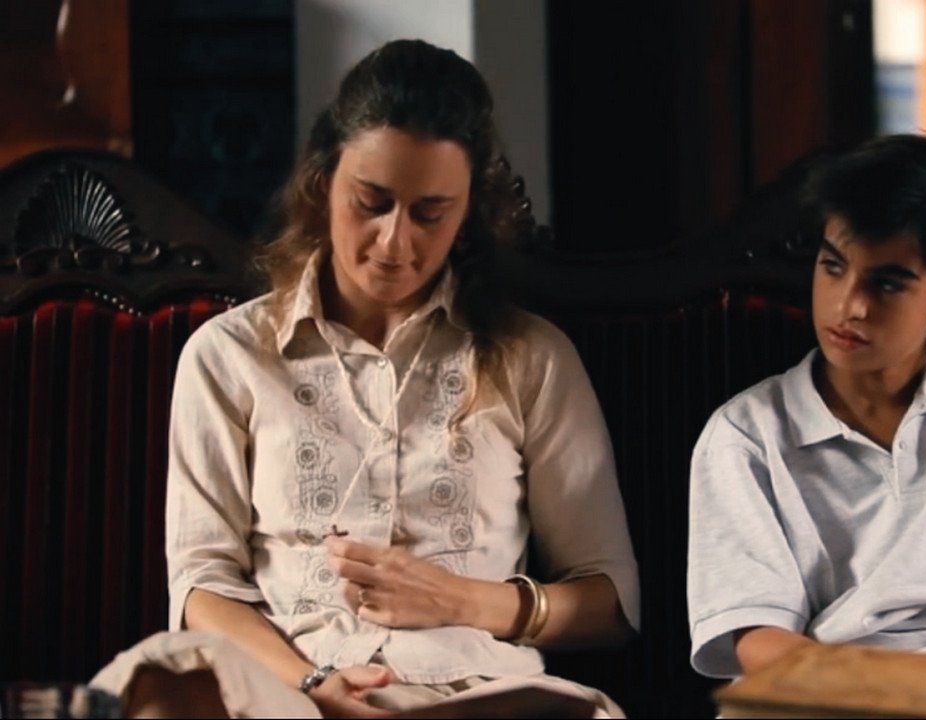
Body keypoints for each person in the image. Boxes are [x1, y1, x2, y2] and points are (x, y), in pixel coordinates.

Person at [91, 39, 638, 718]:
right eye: (371, 202)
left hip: (473, 694)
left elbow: (610, 601)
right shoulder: (228, 356)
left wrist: (461, 599)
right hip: (285, 693)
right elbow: (202, 587)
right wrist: (312, 683)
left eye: (430, 213)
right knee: (157, 676)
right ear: (323, 183)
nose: (394, 242)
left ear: (468, 210)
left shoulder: (530, 356)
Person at [685, 134, 926, 680]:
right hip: (822, 693)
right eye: (833, 266)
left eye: (887, 284)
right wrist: (895, 694)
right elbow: (759, 639)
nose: (849, 306)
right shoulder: (745, 435)